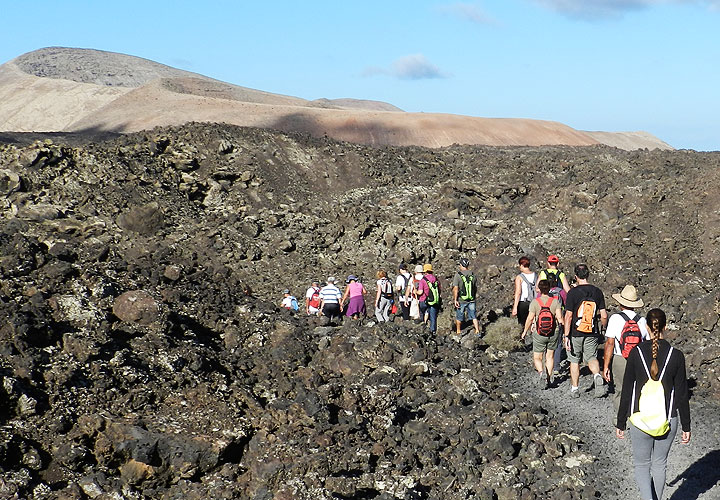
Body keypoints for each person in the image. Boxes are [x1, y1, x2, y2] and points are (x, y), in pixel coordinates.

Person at [616, 308, 691, 500]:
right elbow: (682, 394)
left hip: (639, 418)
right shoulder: (677, 355)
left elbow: (626, 390)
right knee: (660, 464)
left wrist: (621, 422)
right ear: (665, 327)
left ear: (647, 327)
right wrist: (686, 426)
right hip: (667, 419)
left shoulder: (635, 353)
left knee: (642, 465)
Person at [602, 284, 650, 427]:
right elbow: (646, 343)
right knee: (637, 389)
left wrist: (606, 366)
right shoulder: (641, 320)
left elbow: (609, 343)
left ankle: (620, 420)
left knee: (620, 389)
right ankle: (635, 418)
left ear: (621, 303)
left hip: (619, 358)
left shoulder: (615, 319)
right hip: (637, 360)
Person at [563, 263, 607, 398]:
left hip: (576, 332)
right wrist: (603, 328)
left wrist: (566, 335)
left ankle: (575, 389)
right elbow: (604, 315)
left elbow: (569, 316)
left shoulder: (572, 293)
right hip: (592, 331)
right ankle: (597, 375)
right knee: (592, 357)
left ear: (576, 277)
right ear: (588, 275)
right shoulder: (597, 292)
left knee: (574, 360)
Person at [522, 279, 564, 388]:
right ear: (550, 288)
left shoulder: (535, 302)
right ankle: (549, 379)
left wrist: (524, 332)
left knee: (537, 357)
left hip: (539, 333)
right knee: (549, 357)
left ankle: (541, 373)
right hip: (553, 332)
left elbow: (530, 318)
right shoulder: (555, 301)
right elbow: (559, 318)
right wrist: (564, 333)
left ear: (539, 290)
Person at [452, 258, 480, 335]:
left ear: (461, 265)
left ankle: (458, 331)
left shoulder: (458, 275)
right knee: (474, 316)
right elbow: (475, 287)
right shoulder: (473, 275)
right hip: (471, 299)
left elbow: (456, 289)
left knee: (459, 316)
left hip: (461, 300)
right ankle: (477, 330)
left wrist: (455, 300)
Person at [512, 256, 537, 334]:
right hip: (534, 302)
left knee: (522, 325)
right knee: (533, 323)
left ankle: (524, 339)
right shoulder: (536, 275)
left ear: (522, 265)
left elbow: (518, 292)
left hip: (523, 303)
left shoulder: (519, 277)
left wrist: (515, 307)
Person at [417, 264, 441, 334]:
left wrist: (415, 291)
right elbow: (439, 290)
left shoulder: (423, 280)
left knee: (422, 312)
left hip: (424, 300)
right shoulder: (436, 279)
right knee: (433, 317)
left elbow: (420, 292)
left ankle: (422, 326)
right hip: (434, 300)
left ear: (425, 271)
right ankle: (432, 331)